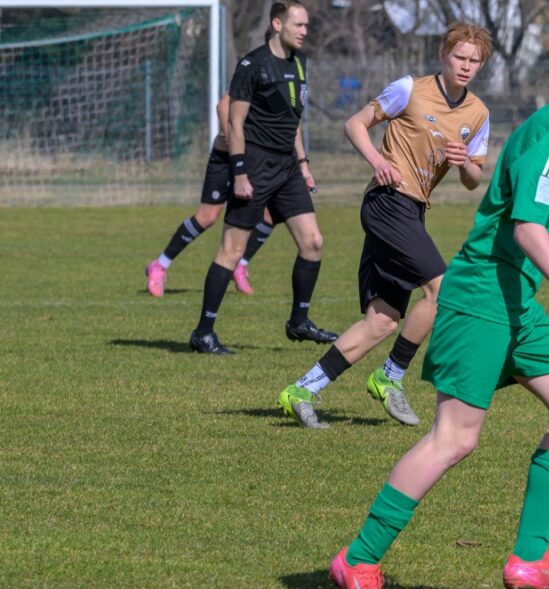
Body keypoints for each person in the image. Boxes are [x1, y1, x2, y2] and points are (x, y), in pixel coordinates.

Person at [326, 39, 549, 589]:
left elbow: (545, 189)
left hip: (516, 301)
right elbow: (529, 228)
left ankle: (529, 560)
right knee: (455, 439)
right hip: (483, 295)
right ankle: (358, 558)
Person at [277, 22, 504, 428]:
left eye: (475, 61)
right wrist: (378, 162)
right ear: (443, 55)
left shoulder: (478, 113)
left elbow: (474, 181)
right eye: (460, 57)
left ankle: (302, 390)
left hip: (413, 210)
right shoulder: (409, 88)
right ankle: (390, 376)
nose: (466, 66)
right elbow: (354, 124)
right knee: (443, 288)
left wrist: (463, 162)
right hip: (386, 203)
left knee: (381, 321)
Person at [188, 0, 336, 354]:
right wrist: (239, 172)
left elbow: (292, 121)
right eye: (298, 25)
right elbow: (235, 123)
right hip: (254, 165)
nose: (304, 31)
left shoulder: (298, 65)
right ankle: (203, 333)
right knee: (232, 249)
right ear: (276, 24)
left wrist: (303, 163)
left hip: (287, 168)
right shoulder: (252, 65)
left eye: (306, 26)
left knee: (313, 242)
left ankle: (299, 322)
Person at [145, 93, 276, 298]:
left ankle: (240, 265)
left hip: (256, 159)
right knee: (207, 217)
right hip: (225, 158)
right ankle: (159, 265)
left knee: (270, 213)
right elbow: (222, 106)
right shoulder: (255, 69)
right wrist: (236, 149)